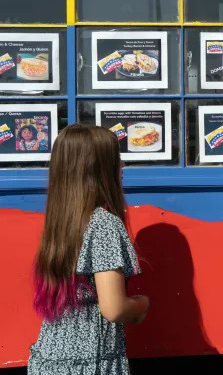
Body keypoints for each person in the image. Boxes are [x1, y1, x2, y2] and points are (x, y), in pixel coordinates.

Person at [28, 124, 149, 375]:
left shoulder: (61, 221)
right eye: (115, 159)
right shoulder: (104, 224)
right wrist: (141, 305)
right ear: (99, 169)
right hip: (89, 363)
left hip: (49, 359)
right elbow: (114, 308)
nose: (122, 167)